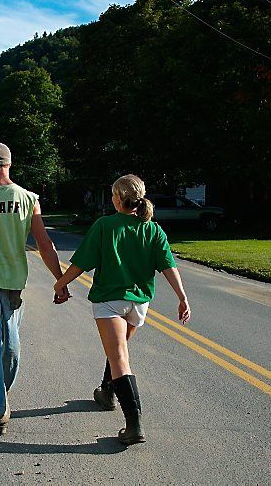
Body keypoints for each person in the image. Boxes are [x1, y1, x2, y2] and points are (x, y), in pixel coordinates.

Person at [54, 175, 191, 445]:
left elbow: (82, 262)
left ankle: (134, 425)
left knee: (118, 356)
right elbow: (168, 266)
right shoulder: (153, 230)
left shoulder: (105, 225)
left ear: (118, 198)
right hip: (139, 302)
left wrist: (60, 283)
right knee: (118, 350)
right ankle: (107, 391)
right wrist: (182, 297)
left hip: (110, 300)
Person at [0, 142, 69, 435]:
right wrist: (60, 281)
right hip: (14, 282)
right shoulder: (29, 199)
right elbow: (44, 244)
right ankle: (0, 393)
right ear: (10, 165)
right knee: (11, 340)